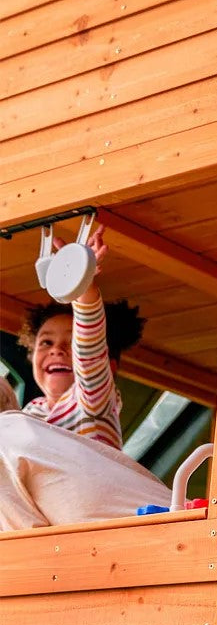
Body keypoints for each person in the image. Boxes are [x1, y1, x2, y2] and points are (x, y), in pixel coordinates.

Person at [18, 225, 144, 449]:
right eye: (46, 342)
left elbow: (89, 351)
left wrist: (81, 283)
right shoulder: (28, 414)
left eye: (72, 342)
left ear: (108, 367)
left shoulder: (92, 403)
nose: (56, 350)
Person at [0, 404, 171, 531]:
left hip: (151, 546)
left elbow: (24, 548)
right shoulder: (30, 431)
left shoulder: (6, 438)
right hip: (180, 522)